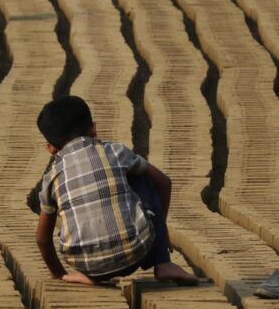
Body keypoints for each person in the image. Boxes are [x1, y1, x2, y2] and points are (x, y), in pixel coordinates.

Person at [35, 96, 199, 286]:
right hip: (136, 252)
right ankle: (162, 263)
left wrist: (59, 274)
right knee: (142, 177)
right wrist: (161, 235)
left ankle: (89, 277)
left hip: (87, 265)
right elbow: (164, 183)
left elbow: (43, 239)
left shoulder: (50, 178)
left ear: (50, 148)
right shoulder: (114, 151)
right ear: (93, 128)